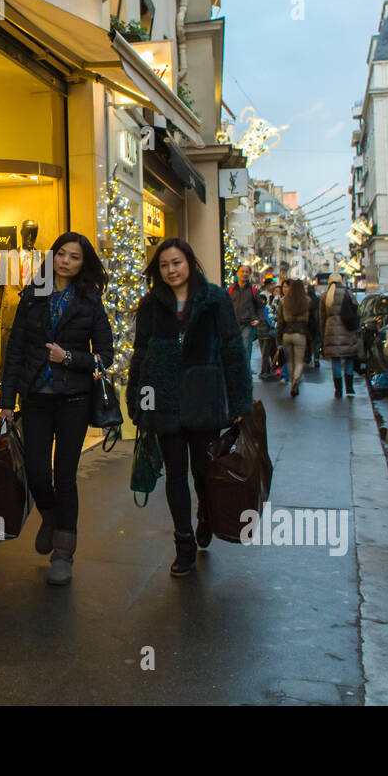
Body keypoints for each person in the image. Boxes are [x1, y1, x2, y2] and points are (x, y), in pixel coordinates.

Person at [127, 239, 254, 578]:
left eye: (177, 263)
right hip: (165, 403)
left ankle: (206, 516)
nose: (171, 270)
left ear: (190, 263)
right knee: (175, 476)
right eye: (165, 265)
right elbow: (141, 357)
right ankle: (183, 544)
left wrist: (239, 400)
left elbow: (232, 350)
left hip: (204, 401)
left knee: (203, 471)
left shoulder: (214, 300)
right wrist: (140, 402)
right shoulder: (151, 304)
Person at [0, 232, 113, 586]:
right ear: (53, 258)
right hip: (34, 398)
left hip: (73, 400)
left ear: (83, 263)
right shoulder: (32, 296)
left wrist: (69, 358)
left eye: (74, 256)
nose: (66, 261)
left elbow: (104, 357)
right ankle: (49, 516)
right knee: (36, 472)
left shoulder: (90, 301)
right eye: (61, 254)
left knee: (65, 477)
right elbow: (15, 349)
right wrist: (6, 401)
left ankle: (63, 552)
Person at [319, 272, 361, 398]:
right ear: (341, 281)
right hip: (347, 331)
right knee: (348, 359)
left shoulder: (325, 296)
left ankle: (338, 389)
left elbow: (321, 318)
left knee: (335, 361)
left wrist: (323, 335)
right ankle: (349, 387)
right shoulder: (348, 293)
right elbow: (357, 312)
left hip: (331, 331)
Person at [277, 279, 311, 397]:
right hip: (300, 333)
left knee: (290, 361)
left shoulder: (284, 301)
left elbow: (280, 321)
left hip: (287, 333)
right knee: (299, 361)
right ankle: (296, 379)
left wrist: (278, 336)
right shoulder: (307, 301)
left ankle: (292, 383)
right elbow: (311, 320)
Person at [227, 264, 261, 367]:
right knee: (233, 350)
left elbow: (260, 306)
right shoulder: (230, 289)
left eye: (246, 272)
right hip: (233, 325)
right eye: (242, 271)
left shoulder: (253, 290)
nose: (244, 273)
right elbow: (225, 305)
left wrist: (258, 319)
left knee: (246, 349)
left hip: (247, 325)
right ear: (237, 273)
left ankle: (245, 374)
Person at [306, 281, 321, 368]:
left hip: (307, 323)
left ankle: (308, 356)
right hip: (316, 323)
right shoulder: (317, 299)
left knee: (308, 340)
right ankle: (316, 358)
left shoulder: (305, 299)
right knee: (317, 342)